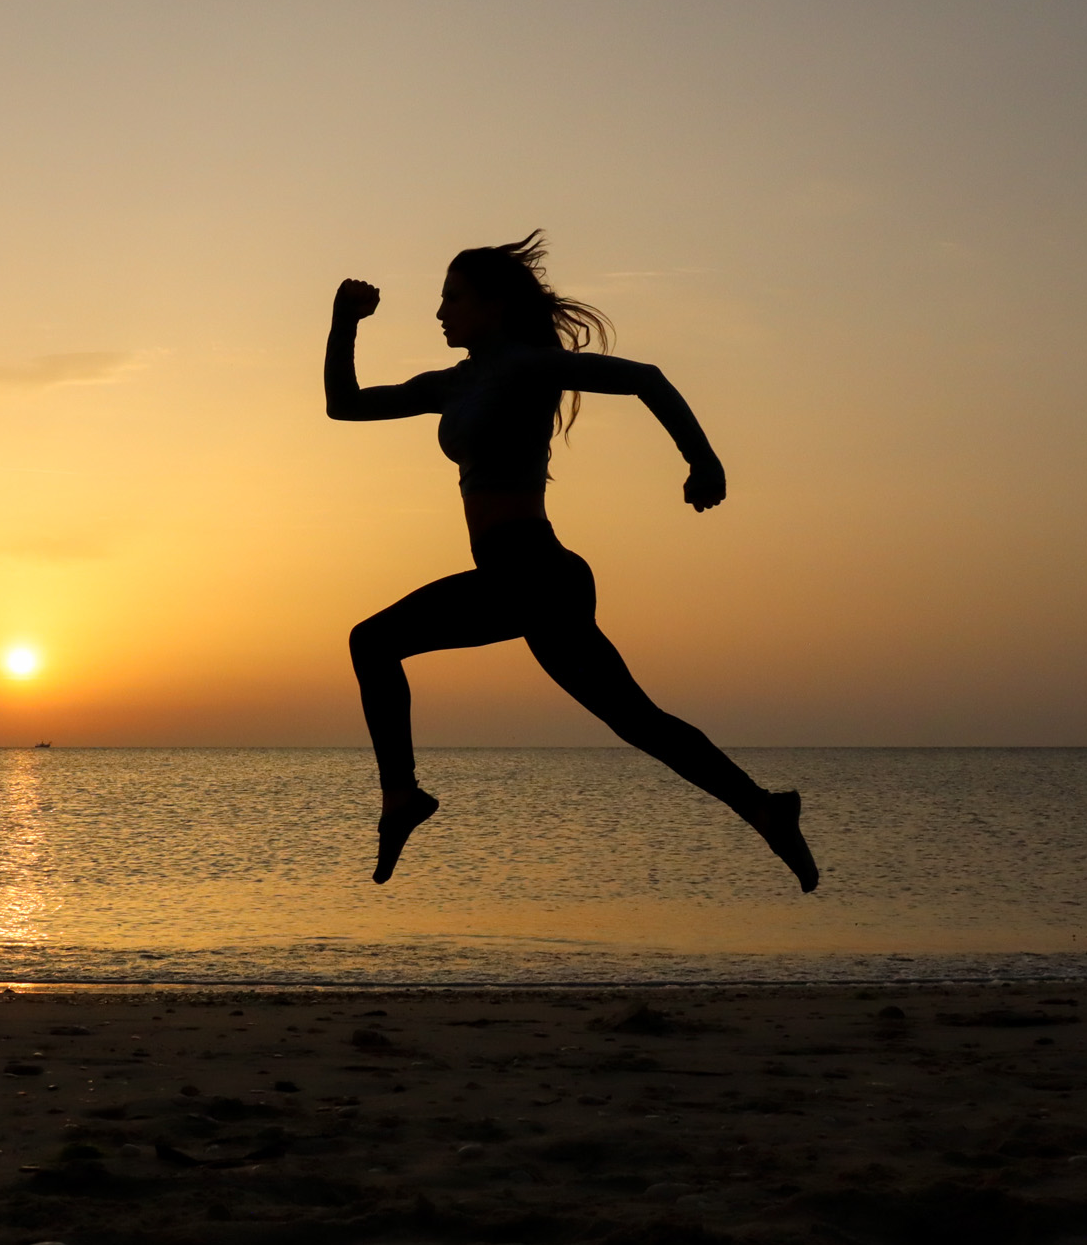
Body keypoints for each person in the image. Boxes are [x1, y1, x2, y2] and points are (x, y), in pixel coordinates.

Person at [326, 231, 819, 891]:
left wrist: (703, 461)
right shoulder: (452, 383)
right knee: (637, 719)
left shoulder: (528, 366)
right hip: (532, 580)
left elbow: (647, 379)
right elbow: (344, 405)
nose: (441, 311)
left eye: (453, 297)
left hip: (528, 571)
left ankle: (402, 798)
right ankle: (762, 807)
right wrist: (343, 323)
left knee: (372, 640)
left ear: (494, 304)